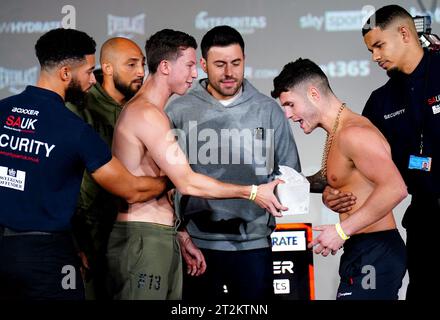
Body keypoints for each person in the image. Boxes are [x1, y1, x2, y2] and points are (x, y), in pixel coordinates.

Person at [107, 28, 286, 300]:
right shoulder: (147, 114)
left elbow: (168, 185)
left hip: (160, 236)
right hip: (144, 238)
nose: (194, 74)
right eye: (190, 65)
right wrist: (251, 192)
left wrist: (181, 233)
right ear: (165, 67)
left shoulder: (154, 113)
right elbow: (186, 181)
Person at [0, 28, 168, 300]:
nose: (93, 79)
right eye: (89, 71)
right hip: (47, 255)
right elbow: (132, 190)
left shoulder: (3, 110)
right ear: (66, 73)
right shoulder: (74, 129)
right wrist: (173, 177)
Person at [166, 25, 301, 301]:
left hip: (254, 246)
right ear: (203, 64)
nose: (229, 72)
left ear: (244, 61)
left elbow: (290, 173)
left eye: (235, 63)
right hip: (196, 245)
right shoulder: (178, 110)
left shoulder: (268, 110)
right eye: (219, 64)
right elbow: (164, 181)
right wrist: (180, 232)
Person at [324, 4, 440, 300]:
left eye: (378, 45)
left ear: (404, 33)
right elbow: (360, 169)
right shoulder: (380, 101)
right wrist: (332, 190)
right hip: (425, 220)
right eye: (370, 50)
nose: (375, 57)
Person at [271, 58, 408, 300]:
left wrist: (341, 231)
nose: (288, 115)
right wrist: (295, 183)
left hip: (376, 250)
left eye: (291, 105)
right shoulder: (336, 132)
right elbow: (336, 178)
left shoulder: (354, 133)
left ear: (313, 93)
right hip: (362, 248)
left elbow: (395, 188)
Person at [65, 37, 146, 300]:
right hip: (92, 236)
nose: (141, 72)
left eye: (142, 64)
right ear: (107, 68)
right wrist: (77, 242)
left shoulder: (145, 108)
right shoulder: (79, 108)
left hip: (136, 234)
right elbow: (65, 179)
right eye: (132, 64)